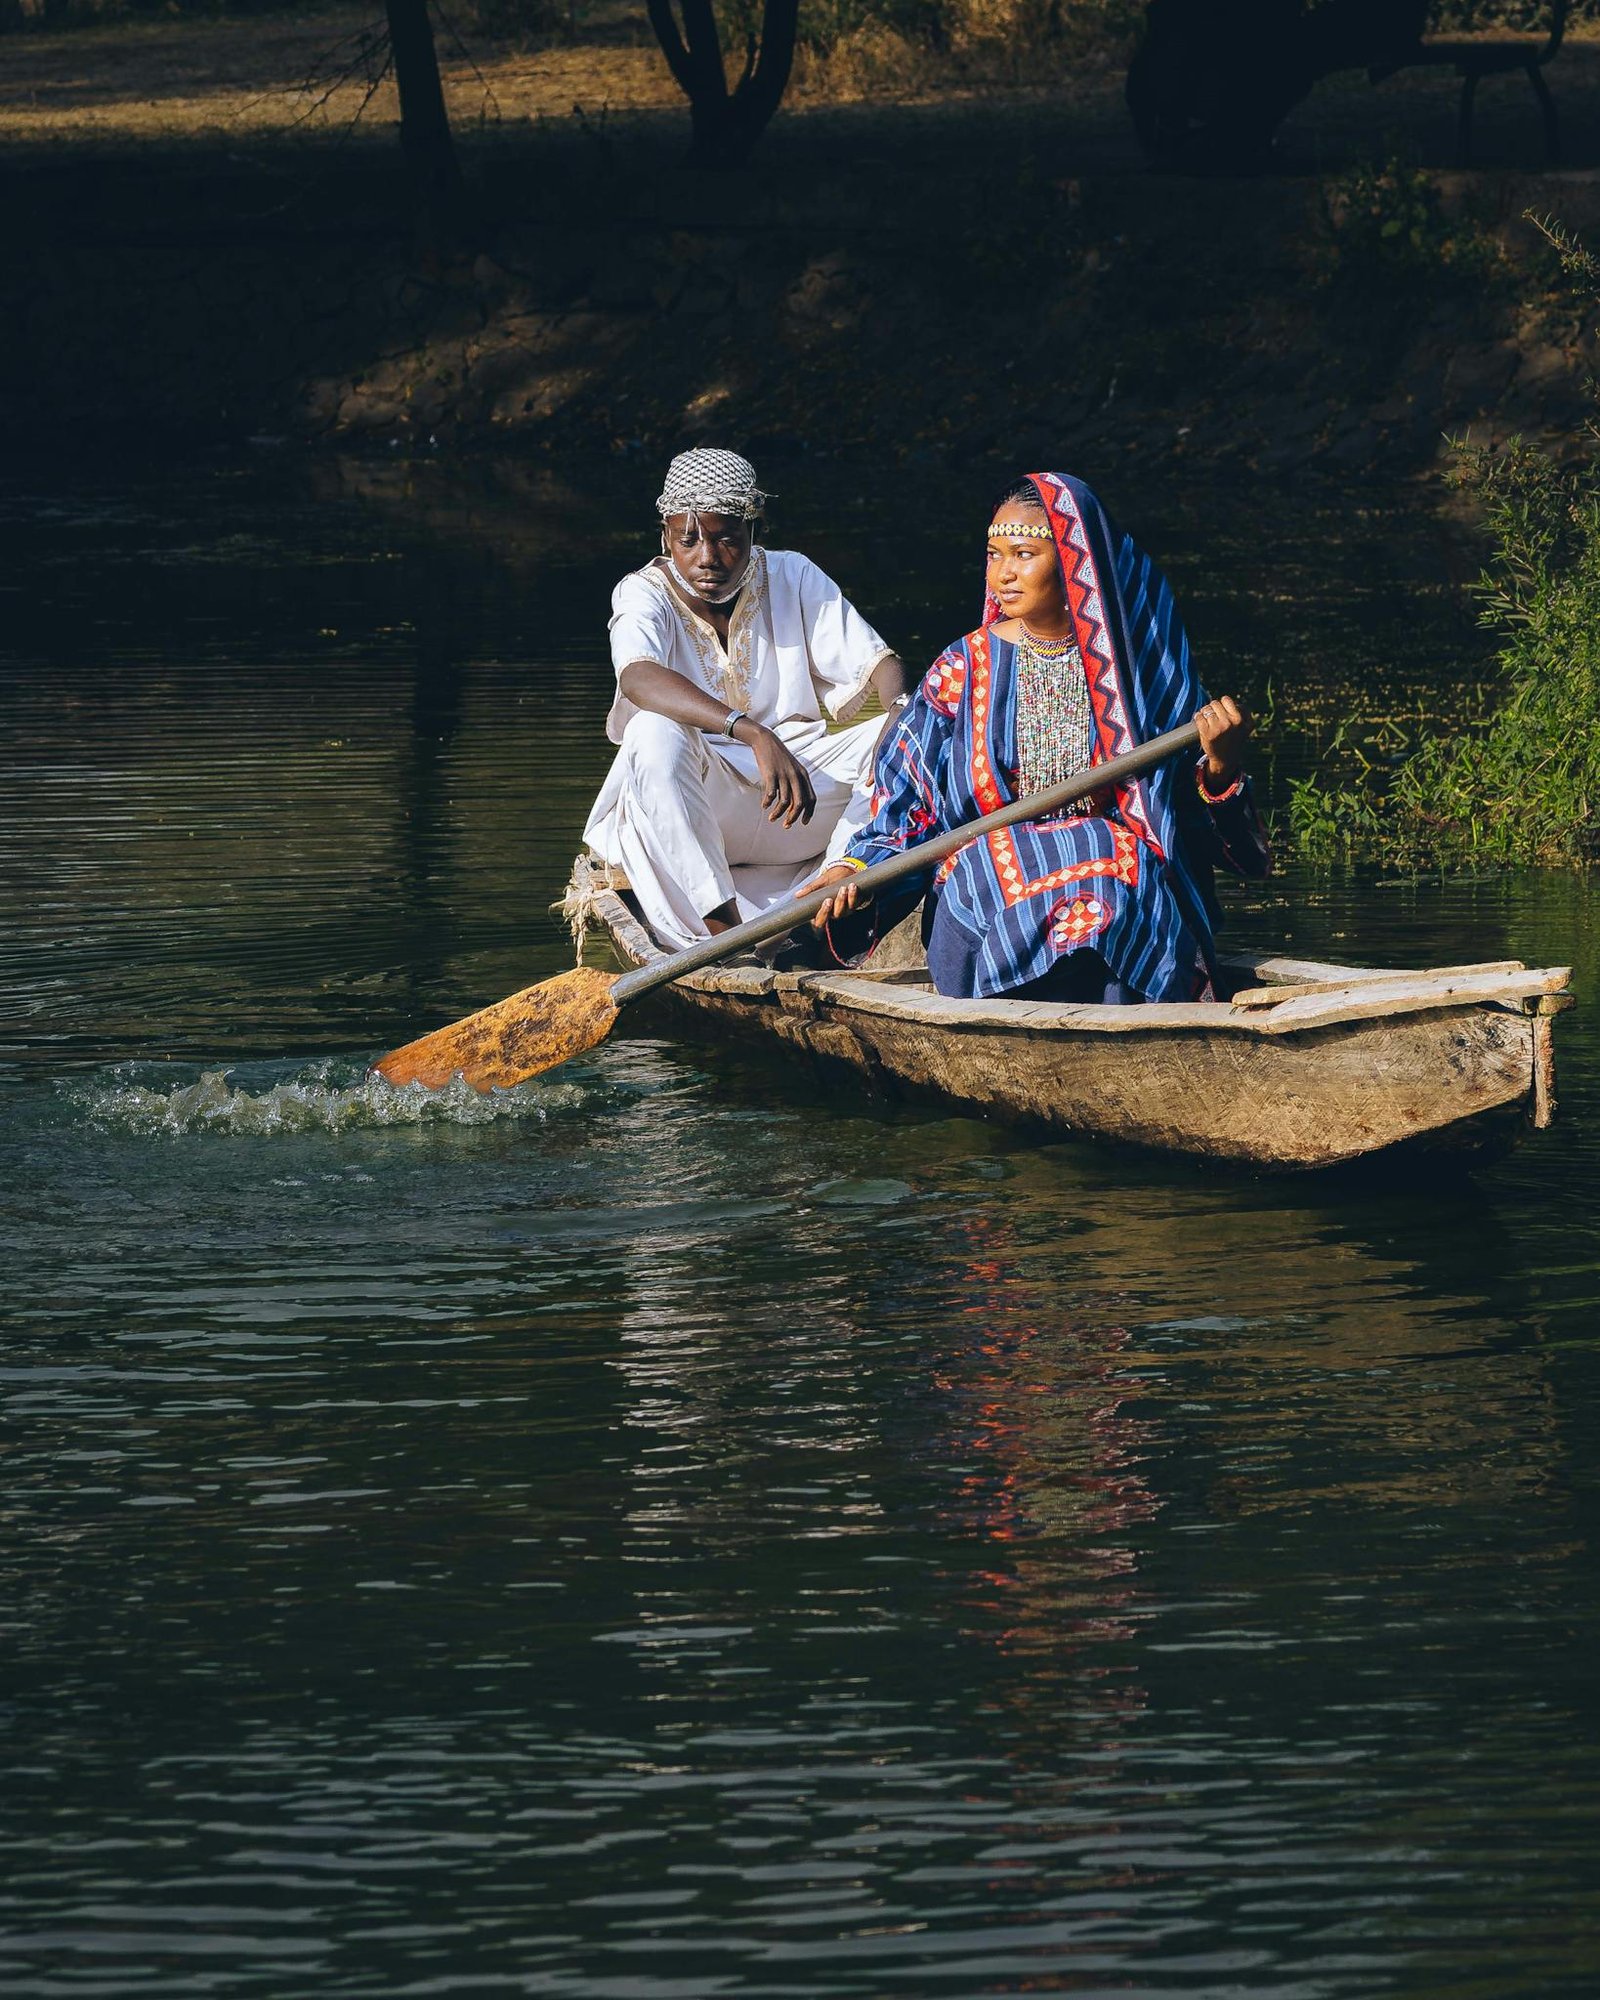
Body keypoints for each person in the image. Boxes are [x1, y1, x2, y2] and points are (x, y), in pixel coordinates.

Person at [806, 472, 1270, 1004]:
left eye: (1023, 554)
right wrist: (855, 868)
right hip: (985, 885)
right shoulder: (962, 670)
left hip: (1117, 883)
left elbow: (1186, 822)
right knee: (1005, 863)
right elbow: (906, 803)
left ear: (1076, 563)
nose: (1003, 574)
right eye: (993, 554)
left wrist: (1219, 769)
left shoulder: (1142, 677)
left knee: (1118, 860)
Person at [582, 449, 911, 952]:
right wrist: (750, 730)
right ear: (665, 534)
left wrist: (899, 710)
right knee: (651, 731)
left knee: (919, 729)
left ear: (754, 531)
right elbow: (638, 679)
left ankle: (831, 891)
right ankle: (727, 934)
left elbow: (879, 663)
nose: (707, 558)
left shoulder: (792, 574)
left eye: (725, 539)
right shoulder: (640, 593)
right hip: (702, 808)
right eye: (686, 540)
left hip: (799, 798)